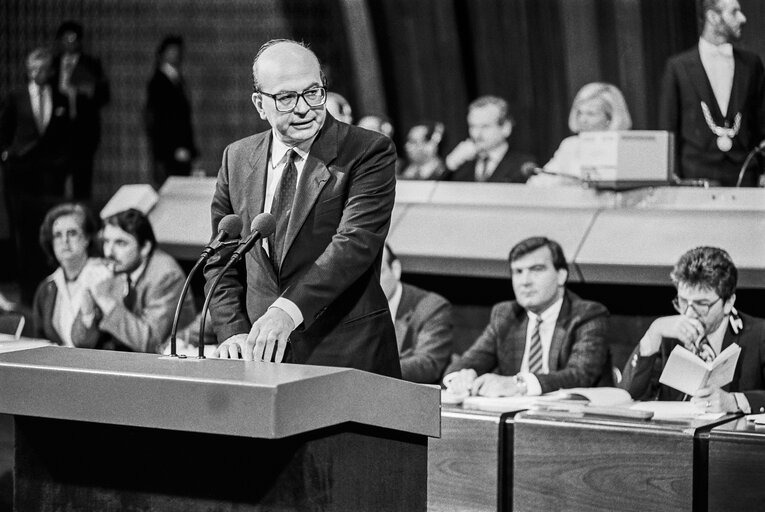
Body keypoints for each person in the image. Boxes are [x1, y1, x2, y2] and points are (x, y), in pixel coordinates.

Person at [204, 39, 400, 377]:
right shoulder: (236, 157)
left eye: (313, 92)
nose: (305, 108)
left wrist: (287, 311)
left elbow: (354, 244)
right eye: (286, 97)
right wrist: (232, 328)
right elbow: (220, 257)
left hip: (345, 357)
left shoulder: (367, 151)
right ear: (259, 104)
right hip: (260, 359)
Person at [443, 236, 611, 397]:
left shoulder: (588, 315)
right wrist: (461, 378)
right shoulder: (506, 314)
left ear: (561, 276)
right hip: (514, 419)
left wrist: (520, 384)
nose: (525, 281)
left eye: (536, 269)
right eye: (518, 271)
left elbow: (580, 376)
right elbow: (462, 366)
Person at [621, 246, 765, 414]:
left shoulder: (759, 334)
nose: (689, 314)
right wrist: (653, 333)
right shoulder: (668, 333)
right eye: (683, 302)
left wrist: (735, 401)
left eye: (702, 304)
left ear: (728, 303)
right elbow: (628, 395)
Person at [659, 0, 765, 187]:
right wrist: (672, 178)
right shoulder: (678, 67)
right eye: (734, 12)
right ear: (713, 17)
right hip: (695, 175)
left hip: (745, 173)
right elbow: (668, 128)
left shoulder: (751, 64)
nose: (742, 18)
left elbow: (761, 122)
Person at [0, 47, 73, 305]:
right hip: (19, 177)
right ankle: (27, 293)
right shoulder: (15, 96)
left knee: (50, 233)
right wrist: (8, 155)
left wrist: (61, 165)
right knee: (24, 235)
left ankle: (49, 293)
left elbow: (65, 136)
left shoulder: (61, 98)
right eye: (33, 69)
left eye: (42, 69)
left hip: (49, 178)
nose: (37, 74)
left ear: (50, 70)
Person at [72, 208, 196, 353]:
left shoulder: (166, 276)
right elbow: (80, 342)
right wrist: (88, 310)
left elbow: (150, 342)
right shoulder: (114, 269)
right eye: (106, 241)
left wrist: (104, 299)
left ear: (145, 248)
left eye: (120, 243)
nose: (108, 252)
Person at [528, 82, 632, 187]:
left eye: (591, 114)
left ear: (610, 118)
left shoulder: (623, 147)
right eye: (580, 113)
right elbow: (540, 182)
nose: (583, 119)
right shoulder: (570, 145)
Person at [31, 202, 103, 346]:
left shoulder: (103, 277)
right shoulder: (47, 287)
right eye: (58, 235)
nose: (64, 241)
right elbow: (39, 340)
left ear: (87, 238)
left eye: (72, 233)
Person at [54, 20, 110, 200]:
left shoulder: (91, 64)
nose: (70, 43)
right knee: (55, 182)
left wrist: (88, 91)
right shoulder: (52, 65)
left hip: (84, 132)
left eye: (74, 39)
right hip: (58, 132)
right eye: (66, 39)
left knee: (82, 182)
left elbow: (104, 96)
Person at [381, 244, 452, 383]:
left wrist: (371, 369)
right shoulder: (352, 306)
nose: (369, 285)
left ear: (395, 270)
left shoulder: (431, 307)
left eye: (377, 274)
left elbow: (428, 364)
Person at [144, 35, 198, 187]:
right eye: (171, 51)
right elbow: (162, 120)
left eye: (177, 51)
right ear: (162, 53)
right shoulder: (159, 81)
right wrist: (175, 148)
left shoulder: (177, 78)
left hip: (178, 148)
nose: (175, 54)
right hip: (170, 150)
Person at [445, 95, 536, 183]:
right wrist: (449, 165)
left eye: (485, 126)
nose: (476, 134)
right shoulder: (462, 163)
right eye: (473, 126)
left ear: (506, 127)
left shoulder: (523, 166)